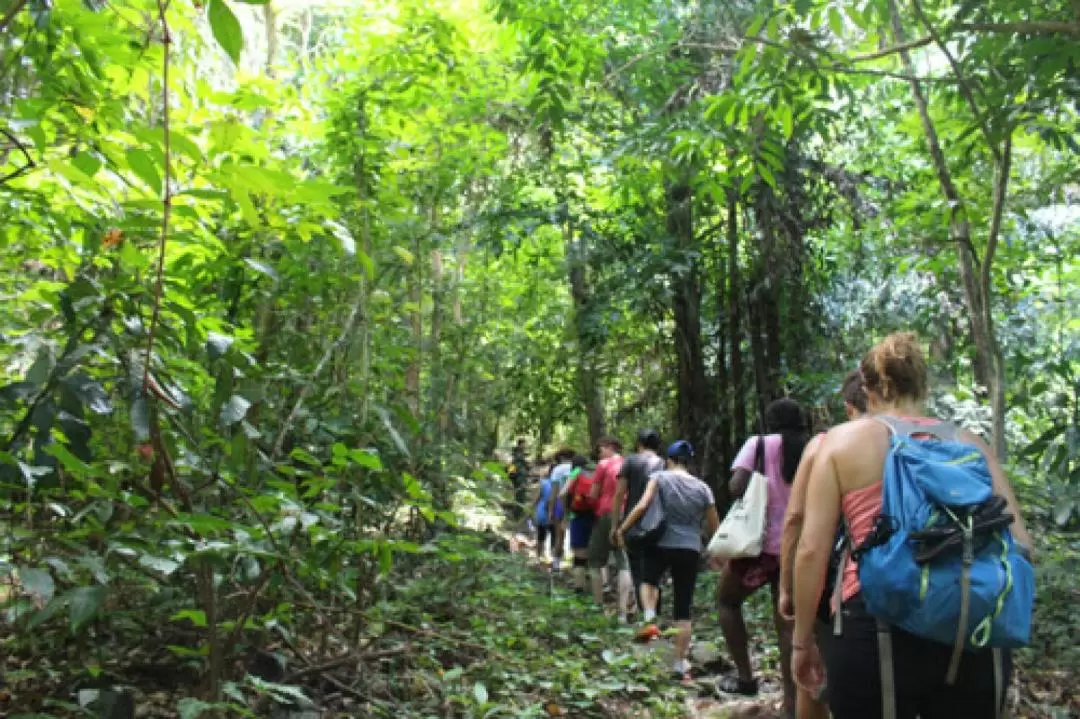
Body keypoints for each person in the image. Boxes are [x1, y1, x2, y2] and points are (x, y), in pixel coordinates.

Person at [792, 332, 1034, 719]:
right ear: (923, 386)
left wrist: (802, 642)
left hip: (874, 626)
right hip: (972, 629)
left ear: (868, 390)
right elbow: (1020, 544)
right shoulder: (971, 444)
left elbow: (811, 551)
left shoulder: (841, 444)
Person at [778, 371, 866, 719]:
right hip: (910, 580)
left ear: (848, 406)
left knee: (812, 677)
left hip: (839, 582)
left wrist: (787, 586)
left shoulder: (826, 444)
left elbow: (796, 521)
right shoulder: (915, 440)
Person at [716, 398, 808, 715]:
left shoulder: (759, 444)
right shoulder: (813, 447)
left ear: (770, 422)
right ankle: (793, 704)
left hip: (758, 548)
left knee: (727, 601)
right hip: (798, 549)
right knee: (787, 625)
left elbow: (736, 486)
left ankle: (744, 677)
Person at [615, 440, 720, 681]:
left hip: (660, 543)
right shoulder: (703, 488)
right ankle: (679, 663)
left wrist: (623, 528)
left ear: (669, 460)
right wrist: (717, 553)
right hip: (690, 549)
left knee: (649, 581)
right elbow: (715, 526)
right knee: (683, 609)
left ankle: (650, 617)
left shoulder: (660, 477)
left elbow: (642, 505)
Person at [611, 428, 665, 614]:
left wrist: (616, 525)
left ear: (639, 444)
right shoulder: (663, 463)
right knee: (655, 572)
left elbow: (619, 494)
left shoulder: (631, 461)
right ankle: (654, 613)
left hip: (634, 524)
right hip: (659, 524)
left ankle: (647, 616)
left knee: (638, 571)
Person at [587, 437, 632, 621]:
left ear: (610, 448)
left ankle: (597, 606)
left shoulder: (603, 465)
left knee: (595, 561)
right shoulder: (628, 463)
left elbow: (593, 494)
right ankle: (622, 611)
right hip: (627, 515)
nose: (599, 454)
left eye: (601, 449)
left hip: (606, 513)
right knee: (624, 562)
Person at [561, 454, 597, 592]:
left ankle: (579, 587)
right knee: (593, 552)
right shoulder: (596, 472)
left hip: (578, 515)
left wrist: (566, 512)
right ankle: (596, 589)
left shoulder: (576, 472)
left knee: (579, 552)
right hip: (595, 515)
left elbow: (563, 493)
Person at [547, 448, 574, 571]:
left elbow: (553, 493)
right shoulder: (577, 468)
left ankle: (556, 564)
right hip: (576, 504)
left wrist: (550, 510)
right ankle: (577, 564)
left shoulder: (557, 470)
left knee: (559, 535)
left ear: (560, 458)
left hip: (560, 504)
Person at [509, 438, 529, 519]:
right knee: (520, 496)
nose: (525, 446)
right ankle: (517, 514)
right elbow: (516, 466)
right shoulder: (518, 455)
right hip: (520, 478)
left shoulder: (517, 455)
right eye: (524, 444)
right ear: (521, 444)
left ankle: (518, 513)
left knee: (519, 496)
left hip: (519, 478)